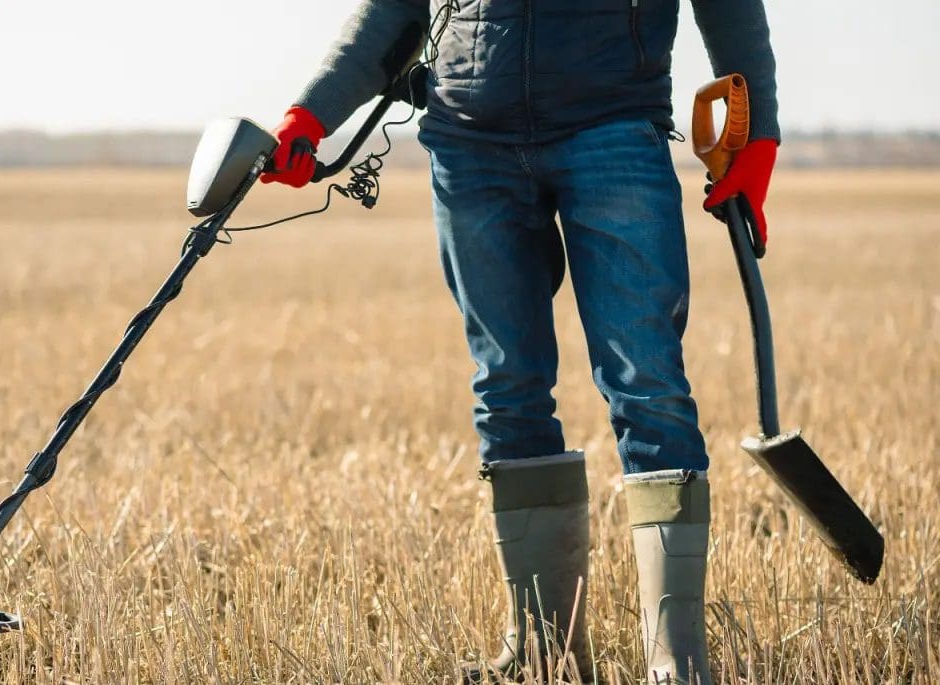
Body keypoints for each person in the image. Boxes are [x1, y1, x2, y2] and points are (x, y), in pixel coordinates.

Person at [261, 1, 778, 683]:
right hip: (469, 141)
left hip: (613, 124)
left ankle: (678, 662)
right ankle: (545, 654)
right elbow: (395, 9)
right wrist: (312, 112)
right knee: (506, 388)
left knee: (647, 384)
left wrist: (759, 131)